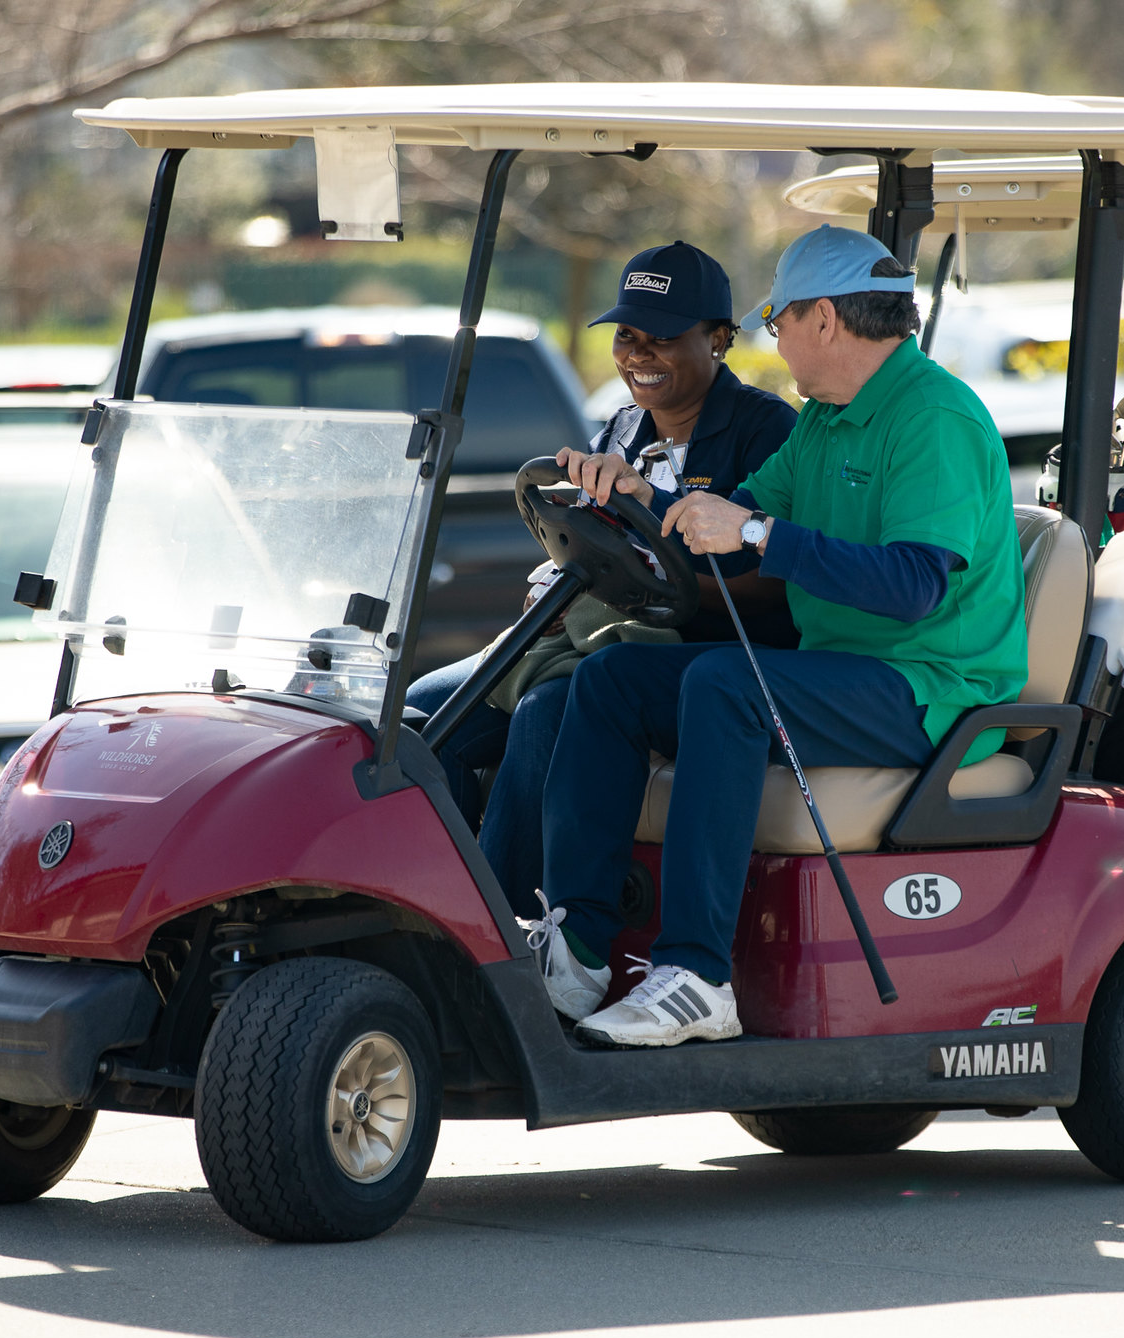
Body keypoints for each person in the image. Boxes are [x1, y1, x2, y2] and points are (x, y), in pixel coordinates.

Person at [527, 225, 1028, 1048]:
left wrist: (760, 534)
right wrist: (634, 499)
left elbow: (912, 587)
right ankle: (578, 950)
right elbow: (716, 521)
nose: (773, 337)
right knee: (612, 677)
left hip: (934, 689)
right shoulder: (825, 420)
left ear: (823, 319)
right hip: (842, 673)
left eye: (778, 319)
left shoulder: (933, 417)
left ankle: (697, 975)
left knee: (724, 685)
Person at [406, 241, 796, 910]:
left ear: (720, 339)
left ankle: (509, 941)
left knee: (544, 712)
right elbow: (592, 538)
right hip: (600, 640)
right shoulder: (618, 429)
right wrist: (557, 577)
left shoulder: (765, 431)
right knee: (415, 717)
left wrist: (636, 592)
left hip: (703, 657)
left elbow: (773, 584)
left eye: (664, 337)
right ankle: (434, 910)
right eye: (627, 336)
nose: (638, 354)